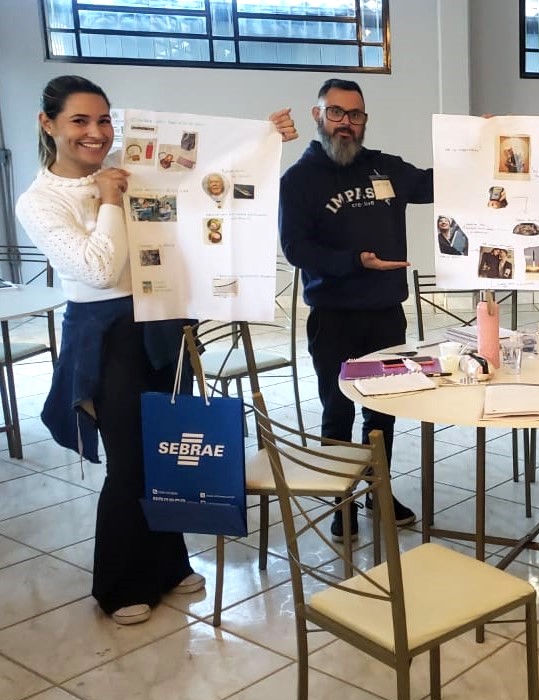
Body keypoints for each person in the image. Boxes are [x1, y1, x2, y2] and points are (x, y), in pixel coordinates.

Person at [14, 75, 297, 626]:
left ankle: (167, 564)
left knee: (168, 447)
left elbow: (207, 169)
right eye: (79, 121)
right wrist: (110, 201)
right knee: (128, 463)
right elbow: (99, 267)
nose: (96, 134)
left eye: (103, 121)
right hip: (106, 332)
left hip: (161, 319)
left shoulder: (124, 161)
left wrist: (268, 136)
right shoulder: (39, 200)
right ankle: (117, 585)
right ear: (48, 124)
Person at [279, 78, 430, 540]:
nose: (346, 123)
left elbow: (432, 183)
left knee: (383, 413)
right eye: (337, 112)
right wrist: (354, 262)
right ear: (318, 115)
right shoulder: (299, 180)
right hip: (334, 317)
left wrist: (482, 145)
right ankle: (340, 499)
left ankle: (375, 489)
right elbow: (295, 248)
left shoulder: (384, 167)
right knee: (338, 411)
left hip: (386, 313)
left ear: (365, 119)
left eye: (356, 114)